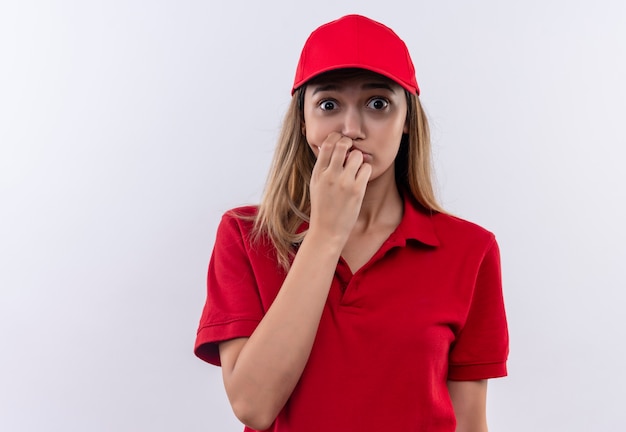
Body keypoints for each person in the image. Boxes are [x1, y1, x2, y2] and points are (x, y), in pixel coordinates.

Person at [195, 14, 509, 432]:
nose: (352, 128)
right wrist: (326, 234)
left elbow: (470, 421)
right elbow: (253, 404)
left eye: (378, 104)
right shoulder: (244, 235)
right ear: (304, 121)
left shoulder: (471, 250)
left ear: (407, 122)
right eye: (329, 105)